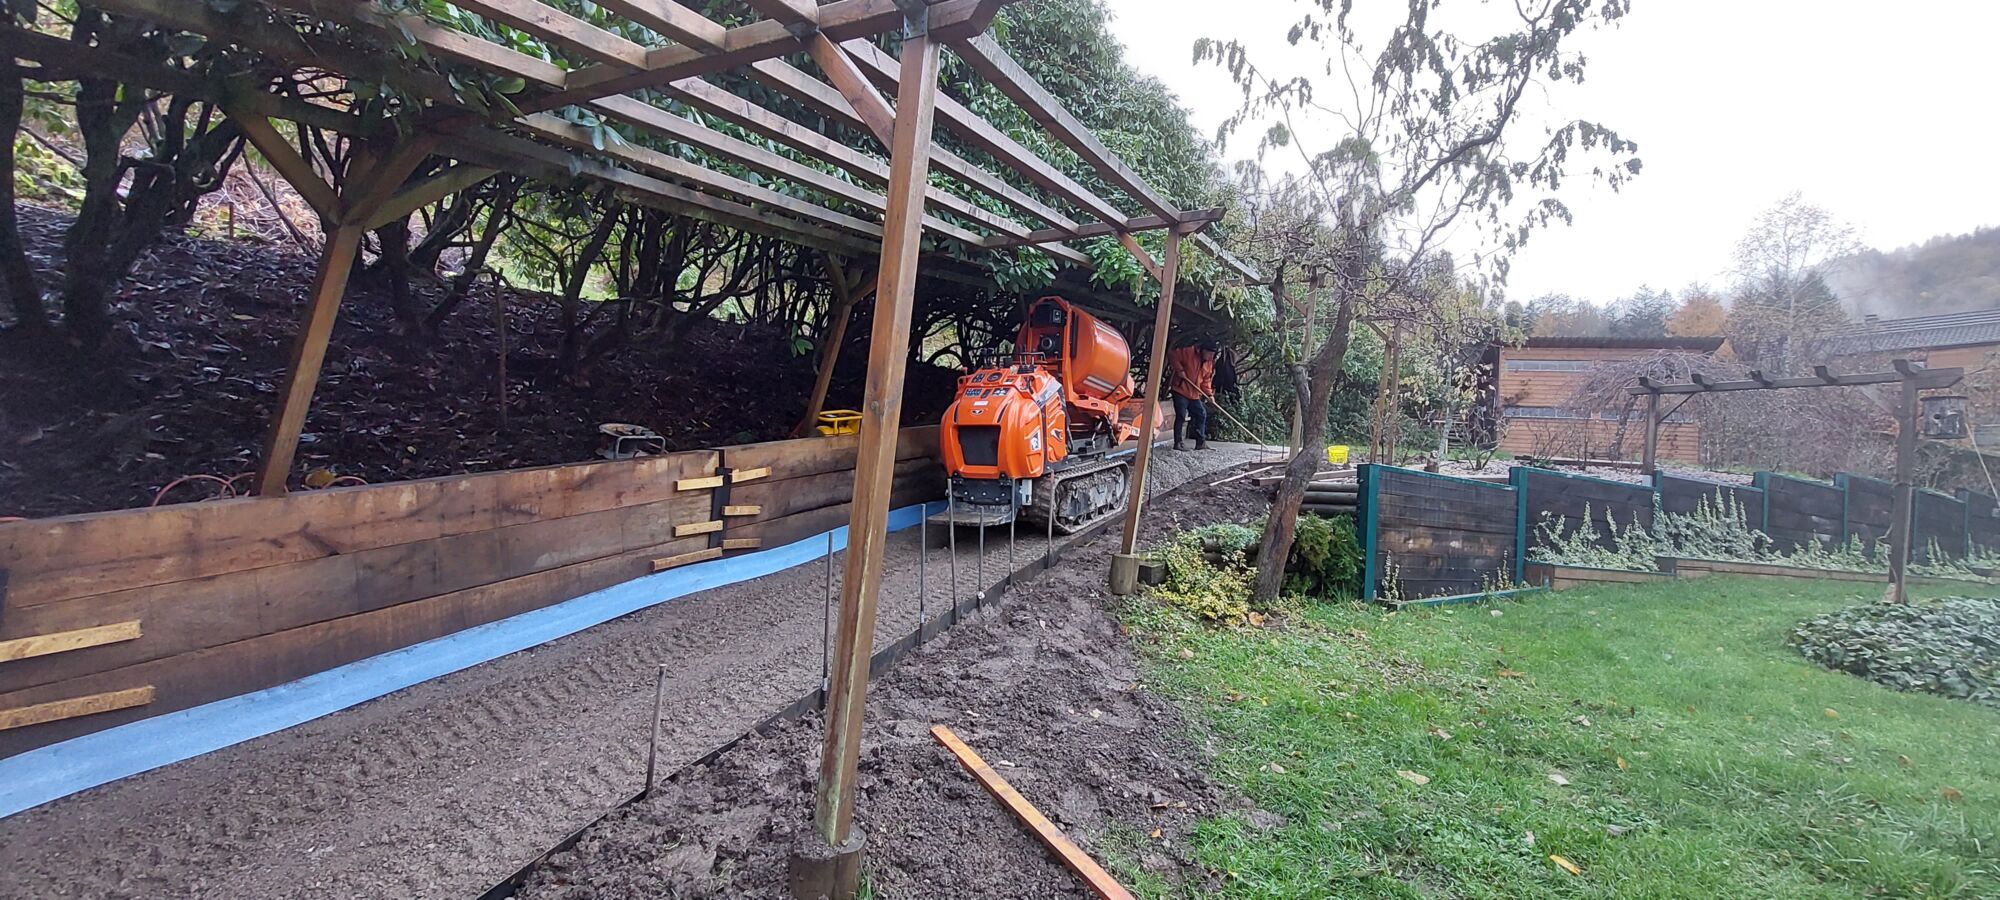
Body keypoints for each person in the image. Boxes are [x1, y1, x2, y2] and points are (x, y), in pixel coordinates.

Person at [1166, 338, 1218, 450]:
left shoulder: (1209, 364)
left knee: (1201, 414)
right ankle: (1178, 442)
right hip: (1180, 390)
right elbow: (1172, 355)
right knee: (1181, 415)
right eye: (1209, 353)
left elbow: (1206, 381)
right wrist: (1180, 370)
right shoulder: (1189, 352)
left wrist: (1209, 395)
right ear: (1202, 350)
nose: (1210, 356)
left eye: (1212, 354)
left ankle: (1200, 443)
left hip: (1194, 394)